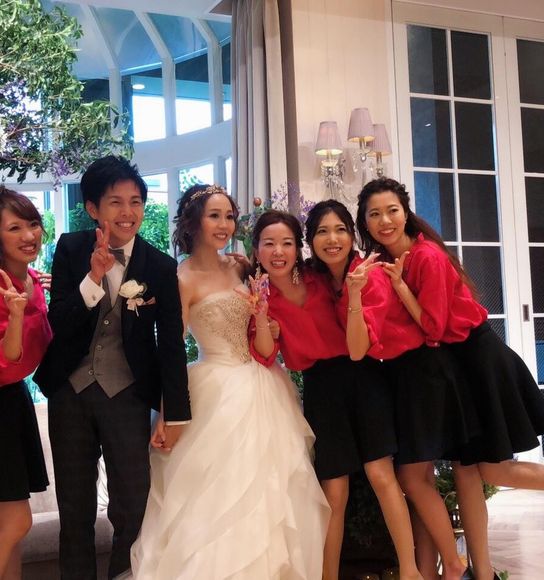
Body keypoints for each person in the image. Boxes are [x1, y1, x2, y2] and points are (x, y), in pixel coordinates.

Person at [356, 176, 544, 580]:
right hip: (456, 366)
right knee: (467, 471)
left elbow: (434, 329)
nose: (384, 221)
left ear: (406, 213)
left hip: (479, 360)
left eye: (392, 211)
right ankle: (483, 571)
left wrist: (401, 288)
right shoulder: (388, 262)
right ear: (365, 222)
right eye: (375, 214)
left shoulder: (426, 256)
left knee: (491, 469)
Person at [131, 184, 329, 579]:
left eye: (229, 216)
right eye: (214, 216)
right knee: (217, 496)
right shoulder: (181, 278)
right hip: (215, 390)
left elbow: (263, 318)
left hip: (265, 384)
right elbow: (172, 350)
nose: (224, 225)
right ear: (194, 222)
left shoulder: (241, 267)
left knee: (274, 494)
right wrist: (169, 413)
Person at [34, 156, 191, 580]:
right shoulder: (71, 248)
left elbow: (171, 343)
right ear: (93, 208)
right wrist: (92, 278)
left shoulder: (159, 266)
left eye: (135, 201)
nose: (128, 212)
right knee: (75, 509)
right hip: (70, 390)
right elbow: (59, 321)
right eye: (115, 202)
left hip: (127, 395)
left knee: (132, 504)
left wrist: (174, 412)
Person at [304, 201, 475, 580]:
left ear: (352, 235)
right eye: (322, 232)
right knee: (340, 490)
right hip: (331, 389)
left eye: (340, 230)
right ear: (310, 240)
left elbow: (358, 349)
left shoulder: (371, 276)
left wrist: (354, 295)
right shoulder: (314, 278)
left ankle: (420, 571)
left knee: (387, 477)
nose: (332, 239)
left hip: (379, 378)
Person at [249, 208, 422, 580]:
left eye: (287, 243)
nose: (279, 252)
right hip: (321, 388)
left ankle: (410, 572)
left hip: (364, 375)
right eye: (269, 244)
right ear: (257, 249)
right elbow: (265, 354)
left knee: (381, 474)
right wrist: (262, 316)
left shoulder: (320, 278)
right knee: (334, 492)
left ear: (299, 247)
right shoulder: (260, 296)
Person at [0, 187, 52, 580]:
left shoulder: (33, 278)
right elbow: (8, 357)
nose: (28, 235)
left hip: (14, 400)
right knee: (18, 522)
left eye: (32, 224)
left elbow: (44, 348)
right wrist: (16, 314)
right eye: (14, 227)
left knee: (10, 529)